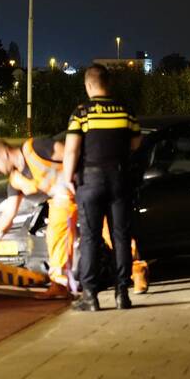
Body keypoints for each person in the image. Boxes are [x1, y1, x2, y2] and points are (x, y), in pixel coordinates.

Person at [62, 64, 142, 311]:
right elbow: (137, 141)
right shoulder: (125, 111)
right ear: (109, 84)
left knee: (90, 239)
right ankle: (122, 294)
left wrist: (67, 178)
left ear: (88, 85)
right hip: (119, 179)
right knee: (120, 236)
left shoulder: (81, 113)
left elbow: (72, 149)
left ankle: (90, 296)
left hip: (90, 181)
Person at [0, 137, 77, 299]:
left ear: (5, 153)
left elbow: (70, 153)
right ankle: (59, 284)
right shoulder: (15, 180)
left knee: (109, 232)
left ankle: (134, 270)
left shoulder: (35, 148)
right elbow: (9, 212)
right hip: (63, 199)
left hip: (83, 188)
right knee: (55, 236)